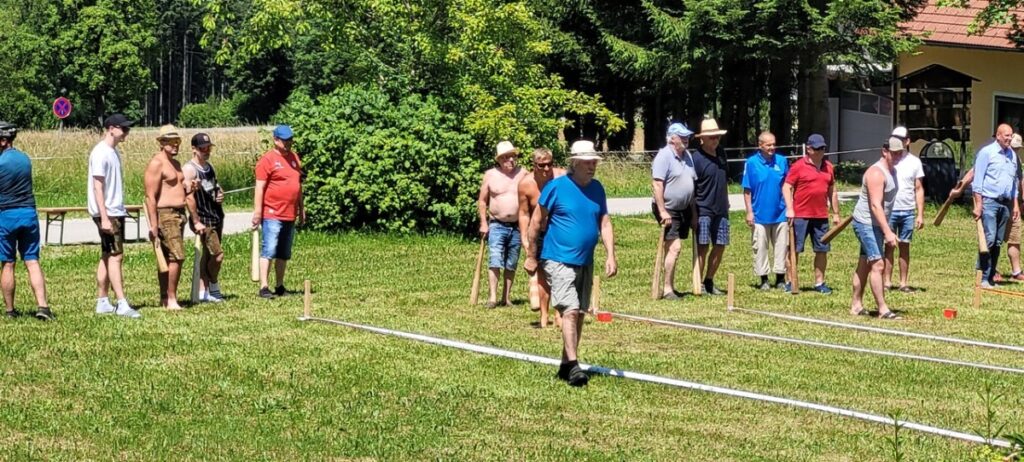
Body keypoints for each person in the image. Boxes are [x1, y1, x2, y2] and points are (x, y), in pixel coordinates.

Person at [524, 140, 617, 387]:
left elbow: (605, 222)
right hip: (557, 258)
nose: (592, 166)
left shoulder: (597, 188)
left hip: (585, 260)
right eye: (587, 162)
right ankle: (575, 366)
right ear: (574, 163)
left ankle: (565, 365)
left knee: (580, 313)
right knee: (570, 309)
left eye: (594, 162)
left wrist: (611, 254)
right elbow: (536, 222)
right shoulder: (556, 187)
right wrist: (531, 255)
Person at [948, 133, 1024, 281]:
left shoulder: (1015, 159)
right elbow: (974, 173)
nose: (1014, 150)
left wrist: (1020, 202)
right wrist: (960, 189)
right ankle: (986, 271)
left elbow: (1020, 181)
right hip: (992, 201)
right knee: (991, 237)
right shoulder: (990, 154)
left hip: (1011, 203)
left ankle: (1016, 271)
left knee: (1011, 237)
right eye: (1012, 146)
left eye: (1017, 148)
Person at [89, 114, 140, 318]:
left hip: (114, 211)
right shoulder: (100, 153)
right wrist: (104, 217)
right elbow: (97, 187)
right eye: (123, 129)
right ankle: (122, 303)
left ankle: (102, 301)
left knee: (107, 255)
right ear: (111, 128)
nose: (127, 132)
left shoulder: (113, 152)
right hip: (108, 213)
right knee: (116, 256)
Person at [0, 122, 52, 320]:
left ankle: (10, 310)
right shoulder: (25, 159)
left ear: (3, 141)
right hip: (29, 213)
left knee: (8, 263)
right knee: (32, 261)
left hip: (6, 216)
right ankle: (43, 306)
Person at [850, 137, 903, 319]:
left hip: (876, 223)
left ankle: (856, 305)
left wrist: (886, 227)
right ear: (884, 151)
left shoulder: (893, 171)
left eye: (900, 153)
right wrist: (888, 232)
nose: (897, 156)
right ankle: (883, 309)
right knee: (878, 264)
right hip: (865, 223)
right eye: (894, 153)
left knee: (865, 263)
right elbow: (875, 205)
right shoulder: (876, 173)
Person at [783, 134, 842, 294]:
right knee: (794, 249)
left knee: (822, 250)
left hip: (821, 216)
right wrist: (790, 208)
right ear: (808, 149)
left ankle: (819, 283)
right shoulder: (798, 166)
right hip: (800, 215)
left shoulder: (828, 167)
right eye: (817, 148)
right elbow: (786, 187)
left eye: (822, 148)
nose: (820, 151)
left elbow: (832, 190)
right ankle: (790, 281)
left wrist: (836, 213)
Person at [252, 124, 305, 298]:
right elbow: (259, 188)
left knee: (283, 252)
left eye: (290, 140)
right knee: (269, 249)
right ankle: (264, 287)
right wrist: (258, 212)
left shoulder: (294, 157)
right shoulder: (267, 160)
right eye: (284, 140)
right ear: (276, 140)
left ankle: (280, 286)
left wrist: (301, 208)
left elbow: (298, 185)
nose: (288, 143)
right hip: (272, 213)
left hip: (290, 213)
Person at [518, 147, 565, 327]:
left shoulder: (562, 178)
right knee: (541, 274)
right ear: (534, 165)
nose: (546, 169)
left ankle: (559, 313)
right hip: (538, 233)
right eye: (541, 165)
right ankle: (544, 315)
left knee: (560, 273)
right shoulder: (525, 184)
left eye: (549, 164)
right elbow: (524, 213)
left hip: (559, 232)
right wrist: (525, 238)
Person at [651, 122, 698, 299]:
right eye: (682, 136)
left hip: (684, 209)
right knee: (674, 247)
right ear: (672, 139)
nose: (686, 139)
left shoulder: (688, 156)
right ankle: (667, 289)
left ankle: (670, 285)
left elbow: (691, 185)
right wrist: (662, 211)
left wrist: (694, 213)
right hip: (668, 208)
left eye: (687, 136)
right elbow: (657, 185)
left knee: (673, 248)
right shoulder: (663, 156)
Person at [144, 125, 189, 310]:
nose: (175, 145)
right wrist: (154, 225)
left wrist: (190, 187)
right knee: (177, 256)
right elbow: (150, 196)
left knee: (169, 257)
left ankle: (165, 297)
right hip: (166, 214)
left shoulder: (176, 163)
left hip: (180, 213)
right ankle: (171, 298)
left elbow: (177, 187)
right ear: (162, 143)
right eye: (171, 142)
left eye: (177, 141)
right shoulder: (157, 163)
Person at [477, 141, 526, 308]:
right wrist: (483, 223)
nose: (510, 160)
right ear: (499, 159)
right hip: (497, 224)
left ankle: (506, 297)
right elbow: (482, 201)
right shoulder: (490, 175)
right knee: (495, 259)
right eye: (505, 157)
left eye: (512, 156)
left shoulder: (523, 174)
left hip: (517, 225)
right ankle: (492, 297)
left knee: (511, 262)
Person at [970, 124, 1019, 288]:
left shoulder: (1012, 155)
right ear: (998, 136)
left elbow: (1014, 183)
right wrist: (978, 204)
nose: (1009, 138)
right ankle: (982, 277)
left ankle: (990, 277)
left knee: (998, 241)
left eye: (1011, 135)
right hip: (989, 202)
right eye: (1006, 135)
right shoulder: (986, 153)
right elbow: (978, 181)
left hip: (1005, 204)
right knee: (989, 239)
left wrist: (1015, 205)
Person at [742, 131, 789, 291]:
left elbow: (787, 186)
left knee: (781, 246)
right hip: (759, 214)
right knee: (760, 247)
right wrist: (749, 212)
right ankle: (764, 279)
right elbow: (747, 190)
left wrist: (790, 207)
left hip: (780, 213)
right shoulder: (751, 163)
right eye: (768, 145)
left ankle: (780, 277)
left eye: (774, 144)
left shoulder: (782, 161)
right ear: (760, 145)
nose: (772, 147)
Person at [183, 132, 226, 303]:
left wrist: (220, 193)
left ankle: (203, 290)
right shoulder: (189, 169)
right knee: (218, 255)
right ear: (194, 149)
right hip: (204, 218)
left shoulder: (209, 167)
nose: (206, 151)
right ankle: (214, 286)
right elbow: (188, 196)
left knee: (208, 255)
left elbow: (215, 185)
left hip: (216, 215)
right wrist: (195, 220)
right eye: (203, 148)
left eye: (209, 148)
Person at [882, 126, 925, 292]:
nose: (897, 142)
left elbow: (918, 188)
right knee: (889, 246)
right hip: (890, 210)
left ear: (907, 141)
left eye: (900, 139)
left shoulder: (915, 162)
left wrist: (920, 214)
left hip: (907, 210)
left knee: (905, 247)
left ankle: (903, 283)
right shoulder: (888, 160)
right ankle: (887, 282)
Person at [692, 118, 730, 295]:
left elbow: (724, 179)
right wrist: (694, 213)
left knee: (720, 245)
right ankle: (698, 283)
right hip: (703, 210)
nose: (715, 140)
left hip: (721, 209)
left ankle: (709, 280)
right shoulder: (696, 159)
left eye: (717, 136)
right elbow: (692, 188)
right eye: (711, 137)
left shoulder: (721, 153)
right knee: (703, 247)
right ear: (702, 139)